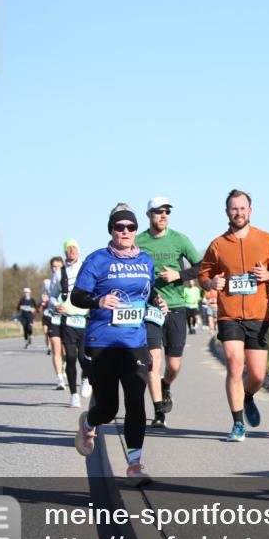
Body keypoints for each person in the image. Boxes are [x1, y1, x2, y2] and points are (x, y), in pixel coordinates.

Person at [72, 204, 166, 484]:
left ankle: (134, 465)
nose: (125, 232)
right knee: (109, 408)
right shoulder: (97, 260)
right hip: (102, 341)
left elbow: (147, 291)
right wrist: (97, 301)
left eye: (130, 227)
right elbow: (77, 297)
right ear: (111, 230)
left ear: (136, 231)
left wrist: (156, 300)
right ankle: (88, 423)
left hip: (134, 341)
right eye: (119, 227)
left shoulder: (146, 261)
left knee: (136, 401)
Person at [199, 189, 269, 442]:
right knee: (235, 364)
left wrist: (268, 276)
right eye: (234, 208)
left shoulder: (266, 239)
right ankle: (237, 424)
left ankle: (247, 396)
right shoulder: (218, 245)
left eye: (242, 208)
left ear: (250, 210)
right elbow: (203, 274)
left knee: (257, 375)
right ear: (227, 212)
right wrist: (211, 283)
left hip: (258, 315)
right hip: (229, 315)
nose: (238, 212)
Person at [135, 196, 203, 428]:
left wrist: (179, 275)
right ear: (148, 215)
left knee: (173, 366)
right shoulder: (139, 241)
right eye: (158, 211)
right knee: (153, 361)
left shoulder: (179, 240)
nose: (163, 215)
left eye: (167, 211)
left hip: (175, 308)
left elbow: (201, 266)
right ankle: (158, 412)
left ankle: (166, 385)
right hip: (149, 309)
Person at [47, 240, 93, 407]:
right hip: (68, 318)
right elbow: (52, 294)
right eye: (68, 248)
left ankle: (86, 378)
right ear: (65, 252)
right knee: (71, 357)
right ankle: (74, 394)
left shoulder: (86, 268)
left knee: (83, 356)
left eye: (74, 247)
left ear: (78, 250)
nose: (71, 250)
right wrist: (54, 304)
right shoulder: (59, 272)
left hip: (85, 318)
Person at [41, 256, 66, 387]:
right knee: (56, 349)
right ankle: (60, 379)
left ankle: (65, 363)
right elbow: (44, 296)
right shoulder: (47, 282)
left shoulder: (68, 278)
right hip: (53, 315)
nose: (56, 268)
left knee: (65, 350)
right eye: (53, 266)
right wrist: (45, 301)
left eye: (58, 266)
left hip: (67, 317)